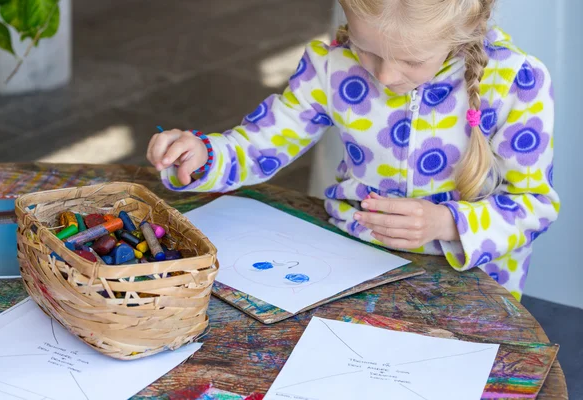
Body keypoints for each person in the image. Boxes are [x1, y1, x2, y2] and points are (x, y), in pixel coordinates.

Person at [146, 0, 559, 301]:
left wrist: (446, 224)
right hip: (350, 266)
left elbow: (534, 206)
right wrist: (204, 155)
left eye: (411, 60)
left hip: (474, 284)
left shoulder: (516, 82)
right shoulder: (332, 64)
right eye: (369, 50)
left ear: (461, 30)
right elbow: (260, 144)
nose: (384, 75)